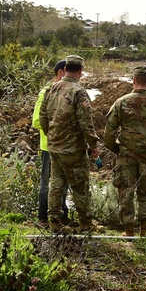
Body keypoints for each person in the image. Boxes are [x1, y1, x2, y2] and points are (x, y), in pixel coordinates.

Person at [103, 65, 146, 237]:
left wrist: (117, 149)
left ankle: (128, 231)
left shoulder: (121, 103)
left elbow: (108, 133)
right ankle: (145, 230)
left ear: (133, 81)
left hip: (126, 155)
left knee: (126, 190)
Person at [38, 54, 100, 233]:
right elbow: (86, 123)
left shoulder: (51, 89)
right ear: (80, 71)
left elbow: (43, 117)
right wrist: (93, 145)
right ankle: (86, 223)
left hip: (54, 146)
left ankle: (55, 221)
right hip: (73, 148)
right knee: (80, 186)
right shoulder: (78, 92)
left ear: (65, 70)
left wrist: (51, 135)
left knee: (56, 183)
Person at [31, 60, 69, 227]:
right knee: (47, 184)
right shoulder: (46, 92)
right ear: (61, 72)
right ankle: (42, 217)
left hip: (65, 147)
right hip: (49, 146)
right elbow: (37, 121)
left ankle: (61, 215)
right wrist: (56, 131)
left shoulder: (67, 93)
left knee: (63, 183)